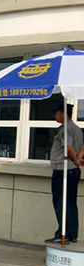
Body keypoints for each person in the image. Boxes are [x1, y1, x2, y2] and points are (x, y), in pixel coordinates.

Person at [45, 104, 84, 244]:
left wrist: (75, 160)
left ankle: (63, 234)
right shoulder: (77, 128)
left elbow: (68, 148)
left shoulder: (65, 129)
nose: (55, 116)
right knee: (71, 203)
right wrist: (78, 160)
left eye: (56, 113)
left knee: (60, 203)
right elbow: (82, 148)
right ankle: (72, 234)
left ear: (63, 113)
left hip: (63, 170)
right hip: (73, 170)